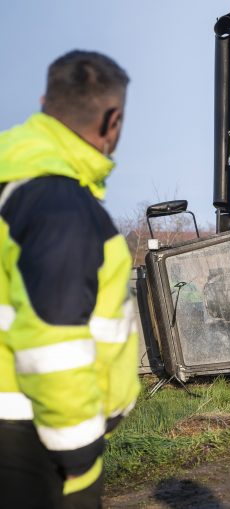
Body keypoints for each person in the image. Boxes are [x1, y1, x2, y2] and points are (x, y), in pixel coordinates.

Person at [0, 50, 140, 508]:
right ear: (112, 121)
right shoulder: (59, 205)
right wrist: (78, 451)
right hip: (36, 446)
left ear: (45, 102)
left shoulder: (14, 181)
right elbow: (53, 338)